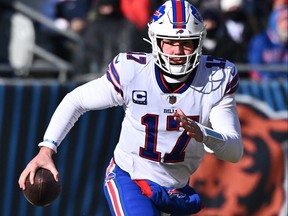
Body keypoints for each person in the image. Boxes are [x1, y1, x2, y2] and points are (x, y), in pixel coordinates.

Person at [18, 1, 243, 215]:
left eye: (186, 43)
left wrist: (203, 134)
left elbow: (234, 150)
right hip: (130, 177)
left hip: (176, 189)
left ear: (199, 42)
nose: (177, 51)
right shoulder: (133, 72)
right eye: (170, 42)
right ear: (156, 41)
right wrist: (47, 149)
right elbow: (75, 101)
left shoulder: (216, 78)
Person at [247, 4, 288, 80]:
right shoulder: (261, 41)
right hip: (266, 88)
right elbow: (254, 69)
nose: (287, 24)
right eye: (284, 19)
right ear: (275, 21)